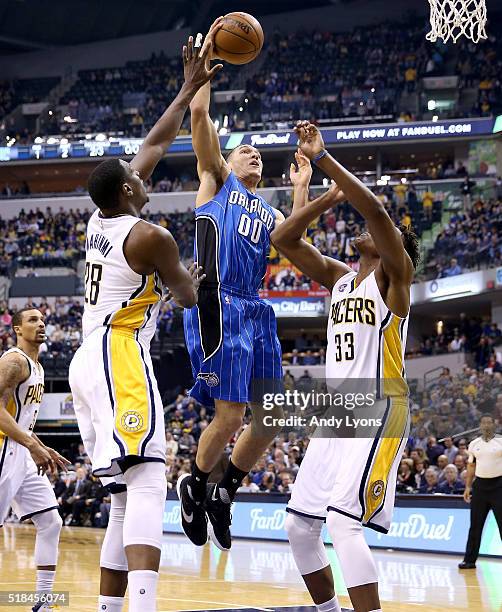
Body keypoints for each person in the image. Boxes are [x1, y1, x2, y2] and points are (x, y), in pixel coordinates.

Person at [68, 37, 218, 612]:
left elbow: (155, 143)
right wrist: (199, 274)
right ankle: (145, 606)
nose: (141, 172)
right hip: (119, 352)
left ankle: (112, 608)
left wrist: (186, 89)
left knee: (127, 498)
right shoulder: (152, 237)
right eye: (134, 175)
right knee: (152, 477)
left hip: (89, 358)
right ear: (128, 189)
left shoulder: (99, 218)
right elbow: (185, 297)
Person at [271, 121, 419, 612]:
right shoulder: (339, 279)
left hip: (381, 408)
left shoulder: (395, 280)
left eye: (383, 231)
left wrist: (325, 158)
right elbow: (286, 239)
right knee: (298, 525)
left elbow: (375, 210)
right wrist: (310, 192)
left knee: (341, 522)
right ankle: (327, 610)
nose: (368, 229)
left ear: (394, 245)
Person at [178, 20, 285, 552]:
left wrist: (309, 185)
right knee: (231, 415)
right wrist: (203, 72)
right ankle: (194, 483)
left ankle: (225, 490)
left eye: (260, 152)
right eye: (245, 149)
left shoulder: (271, 210)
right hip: (216, 300)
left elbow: (297, 241)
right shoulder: (214, 180)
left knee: (270, 418)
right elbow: (199, 116)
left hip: (257, 311)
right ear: (227, 160)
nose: (254, 153)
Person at [0, 308, 70, 612]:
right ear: (17, 328)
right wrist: (32, 445)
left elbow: (22, 419)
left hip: (20, 450)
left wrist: (41, 446)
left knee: (51, 521)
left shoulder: (37, 367)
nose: (40, 324)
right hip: (3, 449)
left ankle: (42, 602)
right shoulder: (13, 361)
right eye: (32, 320)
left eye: (43, 320)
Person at [459, 414, 502, 569]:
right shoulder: (474, 444)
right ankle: (469, 560)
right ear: (480, 425)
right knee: (475, 526)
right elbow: (471, 466)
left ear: (494, 425)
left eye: (489, 422)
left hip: (499, 486)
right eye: (483, 423)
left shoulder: (500, 441)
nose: (486, 425)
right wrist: (468, 486)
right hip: (480, 488)